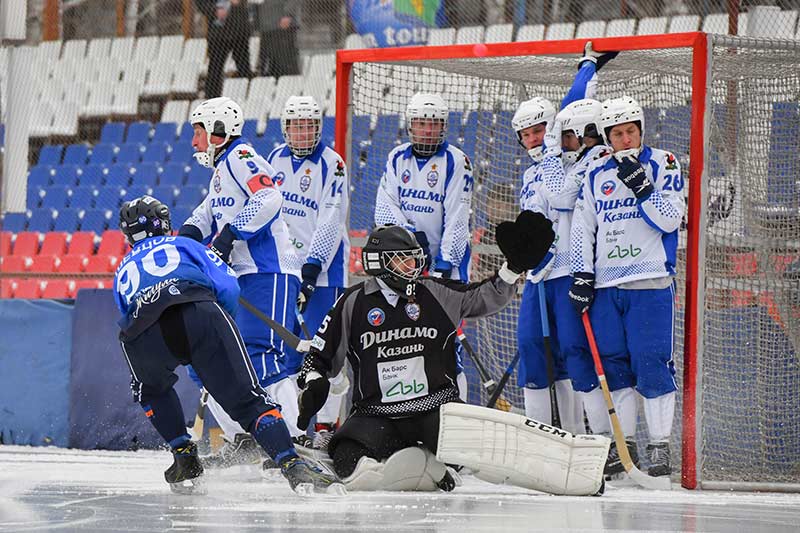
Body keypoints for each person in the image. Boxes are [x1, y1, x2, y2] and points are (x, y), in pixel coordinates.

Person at [292, 219, 610, 495]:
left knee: (490, 451)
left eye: (414, 259)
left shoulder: (435, 291)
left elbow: (483, 297)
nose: (413, 267)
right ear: (379, 264)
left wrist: (512, 270)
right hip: (377, 414)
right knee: (347, 451)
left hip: (437, 411)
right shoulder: (352, 302)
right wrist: (314, 380)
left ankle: (573, 474)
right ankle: (399, 470)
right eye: (403, 261)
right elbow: (317, 356)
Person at [112, 195, 342, 495]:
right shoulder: (187, 245)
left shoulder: (121, 268)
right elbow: (229, 286)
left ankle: (183, 456)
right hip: (199, 309)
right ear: (165, 224)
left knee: (153, 392)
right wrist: (221, 327)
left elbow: (125, 310)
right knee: (250, 400)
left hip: (141, 326)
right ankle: (290, 463)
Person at [178, 97, 305, 468]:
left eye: (198, 132)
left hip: (270, 270)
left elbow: (268, 196)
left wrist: (230, 234)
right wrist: (182, 240)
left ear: (218, 131)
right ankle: (246, 436)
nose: (194, 142)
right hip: (245, 275)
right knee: (226, 360)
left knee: (264, 355)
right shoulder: (221, 172)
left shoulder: (241, 155)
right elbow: (205, 214)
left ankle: (294, 437)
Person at [569, 95, 686, 477]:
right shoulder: (595, 173)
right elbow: (582, 229)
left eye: (631, 131)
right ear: (607, 136)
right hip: (606, 286)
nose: (625, 139)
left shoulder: (663, 162)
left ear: (641, 130)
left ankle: (659, 447)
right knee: (615, 368)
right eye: (617, 134)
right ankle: (624, 446)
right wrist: (582, 275)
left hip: (649, 282)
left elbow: (669, 221)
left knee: (651, 364)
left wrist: (642, 187)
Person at [512, 43, 617, 435]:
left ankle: (589, 436)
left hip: (571, 273)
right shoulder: (528, 176)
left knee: (575, 353)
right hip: (538, 277)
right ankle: (541, 437)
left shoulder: (580, 159)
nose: (534, 138)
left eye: (540, 129)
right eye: (525, 134)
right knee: (532, 352)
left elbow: (576, 103)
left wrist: (587, 68)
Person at [374, 92, 474, 400]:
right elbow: (385, 207)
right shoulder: (396, 157)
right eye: (421, 124)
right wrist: (409, 239)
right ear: (410, 125)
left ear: (444, 127)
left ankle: (458, 415)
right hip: (406, 268)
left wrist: (442, 266)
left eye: (434, 125)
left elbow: (458, 214)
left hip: (446, 270)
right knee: (407, 344)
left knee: (445, 345)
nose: (427, 130)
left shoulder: (456, 161)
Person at [266, 95, 350, 446]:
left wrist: (312, 270)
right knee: (287, 352)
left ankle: (327, 430)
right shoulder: (274, 159)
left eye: (309, 126)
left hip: (324, 275)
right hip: (287, 272)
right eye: (296, 126)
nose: (302, 133)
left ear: (318, 128)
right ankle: (296, 428)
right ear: (286, 129)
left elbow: (331, 219)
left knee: (323, 351)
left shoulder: (333, 163)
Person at [196, 0, 253, 98]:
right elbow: (201, 3)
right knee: (215, 69)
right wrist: (215, 10)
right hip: (218, 33)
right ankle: (212, 101)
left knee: (244, 67)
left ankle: (248, 98)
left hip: (239, 30)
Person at [253, 0, 300, 77]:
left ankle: (292, 86)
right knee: (268, 67)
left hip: (282, 26)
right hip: (265, 27)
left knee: (286, 66)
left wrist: (288, 14)